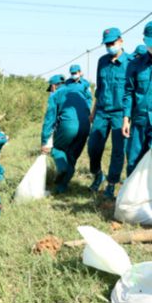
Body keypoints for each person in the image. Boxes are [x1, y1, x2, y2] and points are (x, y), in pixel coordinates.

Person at [87, 27, 129, 199]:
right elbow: (99, 88)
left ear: (121, 41)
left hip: (120, 113)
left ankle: (111, 184)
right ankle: (98, 174)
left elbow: (131, 92)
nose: (109, 46)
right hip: (102, 111)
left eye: (112, 43)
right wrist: (93, 110)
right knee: (93, 147)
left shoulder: (130, 63)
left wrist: (128, 117)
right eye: (107, 44)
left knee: (118, 150)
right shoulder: (102, 61)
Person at [41, 75, 91, 193]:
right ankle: (61, 187)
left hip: (68, 125)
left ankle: (62, 168)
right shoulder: (78, 92)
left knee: (56, 148)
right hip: (85, 127)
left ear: (53, 86)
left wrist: (44, 141)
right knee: (72, 156)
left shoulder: (56, 95)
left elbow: (49, 119)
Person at [122, 22, 152, 176]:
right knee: (134, 161)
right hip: (139, 120)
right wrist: (126, 119)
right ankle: (132, 198)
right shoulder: (135, 65)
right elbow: (128, 93)